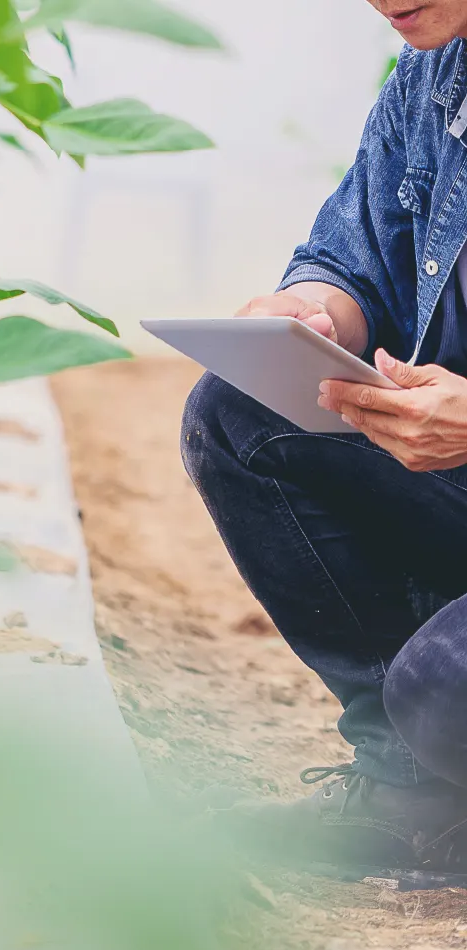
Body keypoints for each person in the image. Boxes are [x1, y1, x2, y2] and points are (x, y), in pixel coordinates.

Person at [185, 1, 467, 877]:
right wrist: (312, 312)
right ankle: (412, 796)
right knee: (236, 415)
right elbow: (353, 259)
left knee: (446, 684)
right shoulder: (431, 79)